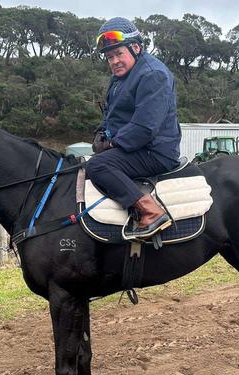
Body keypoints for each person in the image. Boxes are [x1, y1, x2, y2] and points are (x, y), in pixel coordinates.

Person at [87, 17, 182, 240]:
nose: (114, 61)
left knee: (98, 166)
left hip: (155, 151)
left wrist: (111, 144)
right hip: (135, 147)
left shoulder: (152, 74)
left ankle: (151, 211)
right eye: (110, 57)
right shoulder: (120, 78)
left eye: (119, 53)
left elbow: (144, 127)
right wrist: (101, 135)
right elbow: (111, 115)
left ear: (136, 47)